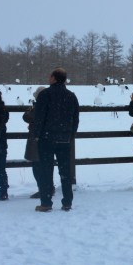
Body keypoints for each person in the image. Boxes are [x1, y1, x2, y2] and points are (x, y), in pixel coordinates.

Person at [33, 68, 80, 212]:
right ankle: (67, 202)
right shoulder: (71, 96)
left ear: (53, 78)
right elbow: (75, 119)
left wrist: (37, 135)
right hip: (64, 138)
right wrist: (71, 135)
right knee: (65, 172)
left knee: (46, 171)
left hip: (47, 138)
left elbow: (39, 117)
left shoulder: (45, 94)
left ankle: (46, 202)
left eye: (50, 76)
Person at [22, 86, 52, 199]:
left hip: (37, 138)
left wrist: (30, 111)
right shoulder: (51, 105)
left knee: (37, 165)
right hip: (48, 137)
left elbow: (27, 117)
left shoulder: (39, 106)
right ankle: (48, 187)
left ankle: (43, 189)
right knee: (46, 165)